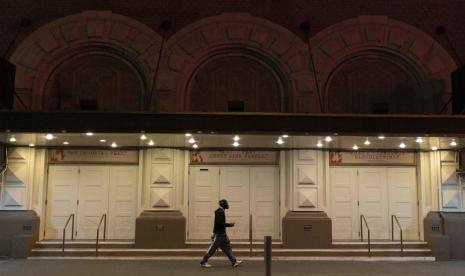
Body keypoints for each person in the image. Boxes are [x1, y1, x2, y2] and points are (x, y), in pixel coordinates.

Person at [200, 199, 243, 268]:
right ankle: (203, 262)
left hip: (223, 235)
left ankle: (234, 261)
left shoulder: (220, 211)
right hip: (219, 235)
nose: (227, 204)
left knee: (227, 248)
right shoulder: (220, 212)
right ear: (223, 204)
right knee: (212, 249)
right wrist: (229, 225)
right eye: (226, 203)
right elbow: (219, 224)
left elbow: (216, 224)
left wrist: (213, 232)